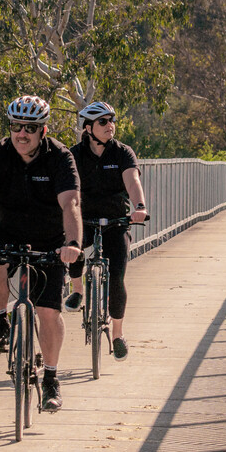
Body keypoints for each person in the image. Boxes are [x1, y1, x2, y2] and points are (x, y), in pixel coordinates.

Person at [0, 94, 82, 411]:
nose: (22, 133)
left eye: (30, 127)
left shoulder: (59, 157)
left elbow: (70, 203)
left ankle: (51, 380)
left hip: (51, 239)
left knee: (48, 313)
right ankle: (1, 321)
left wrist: (72, 245)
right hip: (10, 230)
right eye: (16, 125)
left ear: (43, 130)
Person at [65, 101, 148, 360]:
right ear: (88, 128)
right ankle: (77, 289)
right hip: (84, 218)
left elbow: (132, 180)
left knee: (117, 278)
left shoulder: (122, 152)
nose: (109, 125)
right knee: (74, 248)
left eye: (111, 119)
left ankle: (117, 334)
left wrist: (140, 206)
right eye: (103, 121)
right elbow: (66, 187)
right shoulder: (75, 154)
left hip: (116, 221)